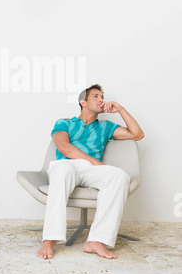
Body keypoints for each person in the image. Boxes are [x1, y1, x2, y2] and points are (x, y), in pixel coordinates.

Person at [36, 84, 144, 260]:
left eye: (102, 96)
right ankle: (49, 239)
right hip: (67, 164)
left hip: (90, 171)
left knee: (119, 176)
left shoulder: (105, 126)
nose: (101, 99)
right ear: (83, 102)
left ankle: (96, 240)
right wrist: (94, 161)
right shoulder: (64, 122)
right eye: (96, 96)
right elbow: (63, 146)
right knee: (62, 171)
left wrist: (121, 110)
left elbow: (138, 134)